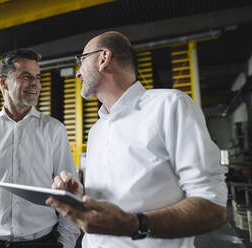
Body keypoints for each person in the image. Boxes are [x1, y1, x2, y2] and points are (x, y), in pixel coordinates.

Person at [46, 31, 227, 248]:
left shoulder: (170, 107)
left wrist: (133, 224)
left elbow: (212, 207)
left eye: (82, 60)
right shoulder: (97, 130)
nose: (77, 72)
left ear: (103, 58)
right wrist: (78, 195)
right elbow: (115, 201)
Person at [0, 48, 80, 248]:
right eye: (26, 76)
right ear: (3, 82)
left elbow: (70, 193)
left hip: (41, 242)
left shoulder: (54, 130)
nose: (35, 84)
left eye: (37, 77)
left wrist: (66, 243)